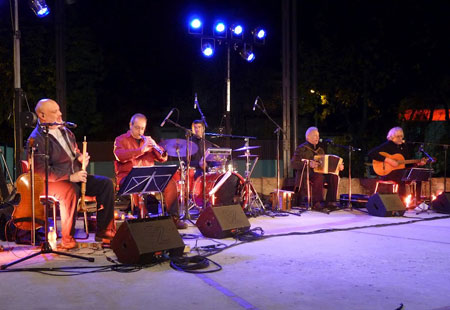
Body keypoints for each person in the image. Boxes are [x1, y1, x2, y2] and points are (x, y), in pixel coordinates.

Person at [29, 99, 116, 249]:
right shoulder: (37, 138)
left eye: (59, 110)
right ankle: (67, 238)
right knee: (71, 190)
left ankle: (105, 231)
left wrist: (80, 158)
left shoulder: (66, 132)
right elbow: (40, 171)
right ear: (42, 115)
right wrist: (70, 177)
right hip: (50, 183)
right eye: (55, 111)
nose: (60, 114)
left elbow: (73, 152)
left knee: (106, 184)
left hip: (73, 176)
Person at [113, 113, 187, 229]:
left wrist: (156, 148)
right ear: (130, 125)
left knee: (170, 182)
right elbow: (120, 156)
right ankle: (144, 218)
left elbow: (163, 158)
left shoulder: (147, 140)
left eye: (142, 128)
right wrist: (141, 150)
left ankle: (174, 218)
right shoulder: (120, 140)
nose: (140, 131)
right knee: (138, 183)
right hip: (128, 178)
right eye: (137, 127)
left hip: (149, 176)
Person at [291, 127, 344, 212]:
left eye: (318, 136)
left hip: (319, 174)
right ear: (308, 137)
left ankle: (330, 202)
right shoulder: (301, 149)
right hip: (306, 174)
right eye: (315, 135)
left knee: (333, 176)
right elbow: (293, 163)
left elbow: (326, 165)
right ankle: (317, 202)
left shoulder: (320, 150)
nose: (317, 138)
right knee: (319, 176)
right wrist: (309, 164)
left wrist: (338, 166)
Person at [368, 127, 426, 201]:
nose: (400, 138)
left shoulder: (404, 147)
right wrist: (388, 160)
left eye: (401, 136)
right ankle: (401, 202)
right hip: (387, 173)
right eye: (398, 136)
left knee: (418, 174)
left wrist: (417, 164)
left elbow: (406, 164)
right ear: (391, 137)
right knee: (402, 176)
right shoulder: (387, 145)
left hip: (400, 172)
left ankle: (418, 201)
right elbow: (371, 153)